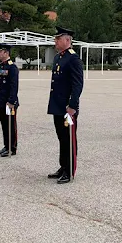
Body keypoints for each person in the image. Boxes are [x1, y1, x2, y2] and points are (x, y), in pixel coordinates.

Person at [47, 26, 84, 184]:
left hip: (68, 108)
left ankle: (69, 171)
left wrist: (72, 106)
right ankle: (63, 166)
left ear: (67, 40)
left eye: (58, 39)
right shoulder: (59, 57)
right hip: (57, 105)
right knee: (62, 138)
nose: (55, 41)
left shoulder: (73, 58)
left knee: (69, 139)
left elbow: (78, 85)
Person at [0, 42, 19, 157]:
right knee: (4, 124)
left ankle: (12, 148)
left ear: (6, 52)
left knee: (10, 125)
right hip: (2, 101)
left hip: (9, 102)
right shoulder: (1, 65)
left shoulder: (12, 67)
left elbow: (14, 86)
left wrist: (11, 101)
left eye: (0, 52)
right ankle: (6, 145)